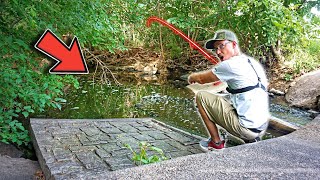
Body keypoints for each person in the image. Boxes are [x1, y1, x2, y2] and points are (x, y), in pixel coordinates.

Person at [188, 30, 269, 151]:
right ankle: (250, 139)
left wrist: (191, 77)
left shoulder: (229, 65)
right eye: (215, 49)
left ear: (234, 45)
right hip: (261, 126)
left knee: (201, 96)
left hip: (248, 129)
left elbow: (200, 79)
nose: (218, 52)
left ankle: (216, 143)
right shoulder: (251, 62)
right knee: (226, 99)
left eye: (222, 46)